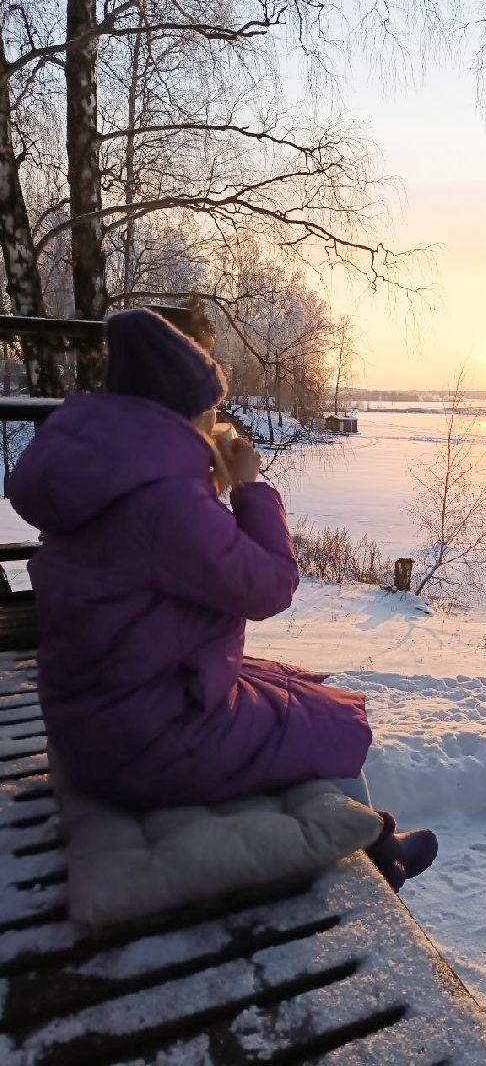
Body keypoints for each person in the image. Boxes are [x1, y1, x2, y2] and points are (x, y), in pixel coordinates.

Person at [8, 308, 437, 891]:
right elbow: (271, 585)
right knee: (336, 724)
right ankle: (375, 851)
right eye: (211, 412)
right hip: (144, 742)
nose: (218, 425)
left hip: (95, 714)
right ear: (183, 416)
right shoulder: (164, 504)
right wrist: (250, 487)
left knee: (297, 687)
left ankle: (374, 840)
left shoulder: (106, 475)